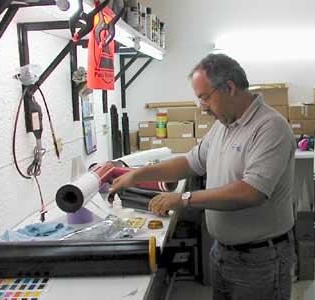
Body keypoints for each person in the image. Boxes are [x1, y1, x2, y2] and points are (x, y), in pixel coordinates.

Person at [110, 53, 296, 300]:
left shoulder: (270, 127)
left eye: (204, 97)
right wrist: (137, 174)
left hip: (259, 261)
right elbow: (189, 162)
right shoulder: (223, 125)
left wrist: (184, 199)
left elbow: (252, 192)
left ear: (229, 88)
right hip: (223, 253)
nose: (203, 107)